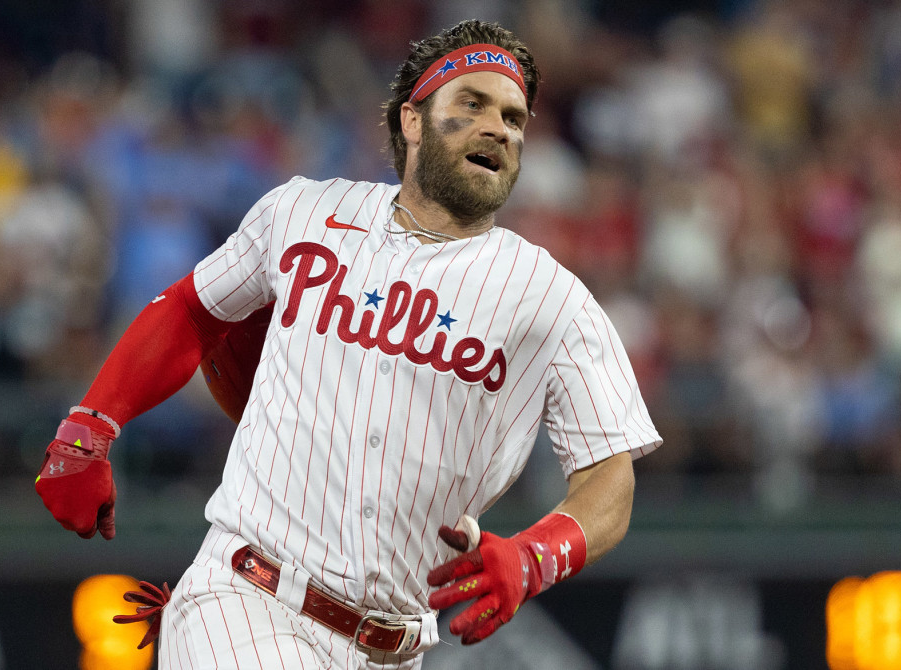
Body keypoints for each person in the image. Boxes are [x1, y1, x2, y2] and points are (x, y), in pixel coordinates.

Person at [35, 19, 661, 669]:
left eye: (513, 116)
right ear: (412, 121)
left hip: (394, 646)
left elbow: (609, 475)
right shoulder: (305, 212)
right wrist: (92, 423)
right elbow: (192, 311)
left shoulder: (550, 296)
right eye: (472, 104)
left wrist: (538, 555)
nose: (498, 127)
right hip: (247, 599)